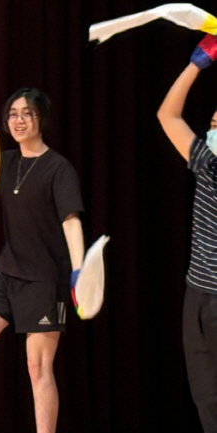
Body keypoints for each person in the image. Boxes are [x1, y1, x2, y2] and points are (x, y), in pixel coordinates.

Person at [0, 88, 84, 433]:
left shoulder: (58, 167)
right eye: (12, 114)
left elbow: (71, 220)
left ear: (42, 119)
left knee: (38, 367)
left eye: (27, 114)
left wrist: (79, 271)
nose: (18, 120)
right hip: (6, 272)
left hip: (45, 278)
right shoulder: (6, 162)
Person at [156, 34, 217, 432]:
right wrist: (196, 63)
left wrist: (197, 64)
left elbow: (170, 117)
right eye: (211, 123)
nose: (211, 129)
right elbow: (168, 116)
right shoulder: (209, 163)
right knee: (206, 398)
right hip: (198, 293)